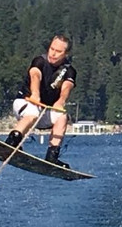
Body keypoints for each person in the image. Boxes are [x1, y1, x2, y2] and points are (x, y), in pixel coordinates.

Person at [5, 34, 76, 166]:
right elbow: (35, 75)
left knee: (62, 116)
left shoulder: (69, 71)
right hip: (24, 103)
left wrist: (61, 101)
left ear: (66, 53)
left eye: (58, 51)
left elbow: (67, 86)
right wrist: (35, 93)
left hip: (43, 112)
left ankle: (52, 156)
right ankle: (12, 141)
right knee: (33, 111)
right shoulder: (40, 61)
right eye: (52, 49)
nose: (53, 53)